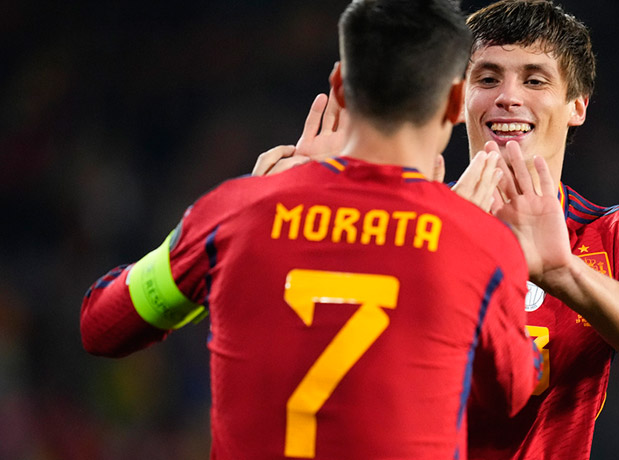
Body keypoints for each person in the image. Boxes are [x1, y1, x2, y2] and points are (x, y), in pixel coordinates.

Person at [79, 0, 542, 458]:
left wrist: (224, 232)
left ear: (339, 86)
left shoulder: (233, 214)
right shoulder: (478, 241)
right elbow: (513, 390)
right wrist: (458, 238)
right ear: (457, 102)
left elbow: (101, 324)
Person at [458, 1, 619, 459]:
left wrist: (562, 272)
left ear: (577, 106)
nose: (508, 97)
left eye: (534, 80)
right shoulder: (410, 222)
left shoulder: (618, 238)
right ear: (459, 99)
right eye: (488, 78)